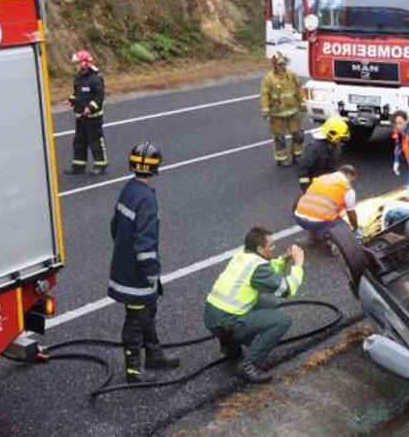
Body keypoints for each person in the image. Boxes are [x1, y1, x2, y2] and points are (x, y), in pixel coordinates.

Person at [108, 141, 180, 383]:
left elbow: (114, 226)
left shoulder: (128, 189)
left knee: (147, 310)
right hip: (137, 274)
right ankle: (133, 371)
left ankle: (154, 355)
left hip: (123, 264)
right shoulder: (147, 198)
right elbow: (146, 241)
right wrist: (152, 272)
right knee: (137, 319)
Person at [204, 227, 305, 383]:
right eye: (271, 245)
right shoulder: (257, 268)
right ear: (259, 249)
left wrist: (284, 259)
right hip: (226, 320)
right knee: (282, 320)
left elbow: (267, 269)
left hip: (212, 314)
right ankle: (248, 364)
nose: (274, 248)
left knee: (268, 305)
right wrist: (298, 265)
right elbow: (287, 290)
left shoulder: (243, 257)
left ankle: (229, 345)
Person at [65, 49, 108, 175]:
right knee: (79, 142)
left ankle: (100, 165)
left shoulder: (95, 78)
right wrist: (71, 100)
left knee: (95, 141)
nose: (76, 66)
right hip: (80, 117)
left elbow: (99, 96)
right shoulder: (79, 77)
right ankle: (78, 166)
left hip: (93, 118)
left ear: (84, 63)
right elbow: (77, 93)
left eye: (77, 63)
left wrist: (90, 108)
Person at [260, 51, 306, 167]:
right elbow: (264, 94)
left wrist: (302, 103)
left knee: (298, 135)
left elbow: (299, 90)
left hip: (293, 112)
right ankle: (281, 159)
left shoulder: (292, 75)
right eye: (281, 64)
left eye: (284, 64)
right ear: (275, 64)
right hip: (277, 114)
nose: (283, 66)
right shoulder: (269, 79)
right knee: (279, 138)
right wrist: (265, 110)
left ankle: (297, 156)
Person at [294, 165, 361, 241]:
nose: (350, 182)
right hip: (318, 223)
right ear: (349, 175)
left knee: (317, 210)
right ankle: (329, 239)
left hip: (299, 218)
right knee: (344, 229)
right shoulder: (347, 189)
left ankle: (313, 235)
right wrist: (355, 228)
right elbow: (351, 214)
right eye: (351, 180)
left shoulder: (321, 178)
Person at [297, 116, 351, 192]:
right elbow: (303, 169)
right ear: (332, 135)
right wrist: (306, 189)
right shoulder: (314, 149)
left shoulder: (336, 147)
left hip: (327, 185)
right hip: (314, 186)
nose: (340, 141)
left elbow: (335, 166)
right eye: (339, 138)